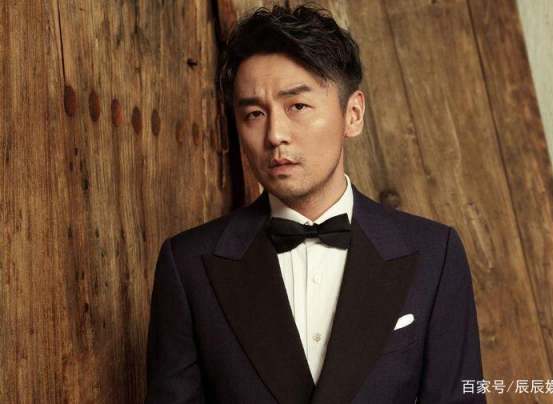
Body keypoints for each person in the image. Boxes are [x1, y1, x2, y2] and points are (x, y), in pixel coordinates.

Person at [145, 3, 486, 403]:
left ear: (352, 114)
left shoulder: (434, 254)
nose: (275, 134)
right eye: (254, 114)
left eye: (298, 106)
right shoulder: (188, 265)